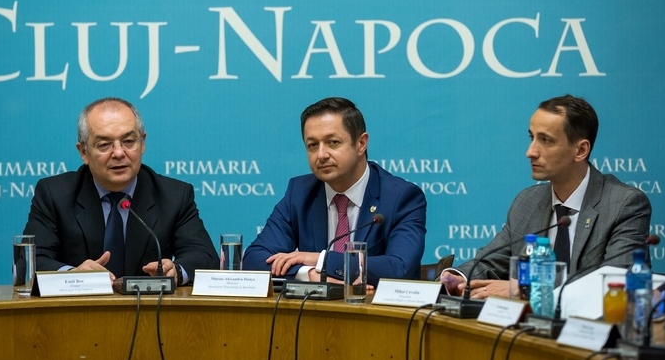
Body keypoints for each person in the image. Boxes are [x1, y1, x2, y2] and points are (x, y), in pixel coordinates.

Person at [440, 94, 651, 299]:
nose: (530, 152)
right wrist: (458, 278)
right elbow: (490, 262)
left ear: (580, 150)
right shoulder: (528, 202)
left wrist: (526, 289)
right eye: (532, 138)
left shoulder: (623, 204)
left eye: (546, 140)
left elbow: (617, 283)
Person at [23, 97, 218, 285]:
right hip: (78, 306)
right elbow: (29, 261)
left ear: (142, 143)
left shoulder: (174, 195)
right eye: (104, 145)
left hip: (150, 307)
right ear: (83, 152)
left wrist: (176, 270)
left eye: (128, 141)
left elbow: (205, 257)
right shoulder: (54, 194)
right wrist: (72, 275)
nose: (118, 153)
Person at [242, 97, 427, 285]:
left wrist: (321, 259)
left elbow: (400, 268)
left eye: (333, 142)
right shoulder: (299, 193)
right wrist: (308, 274)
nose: (321, 155)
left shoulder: (401, 197)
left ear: (361, 143)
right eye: (313, 145)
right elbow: (254, 259)